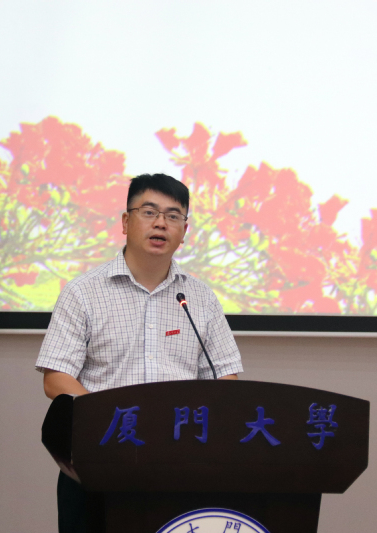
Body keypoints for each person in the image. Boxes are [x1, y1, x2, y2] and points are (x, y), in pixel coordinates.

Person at [35, 173, 243, 532]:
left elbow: (226, 378)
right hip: (99, 460)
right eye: (149, 212)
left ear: (184, 230)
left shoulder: (201, 298)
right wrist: (110, 421)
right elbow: (56, 379)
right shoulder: (83, 292)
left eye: (173, 215)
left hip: (179, 464)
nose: (161, 223)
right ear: (125, 222)